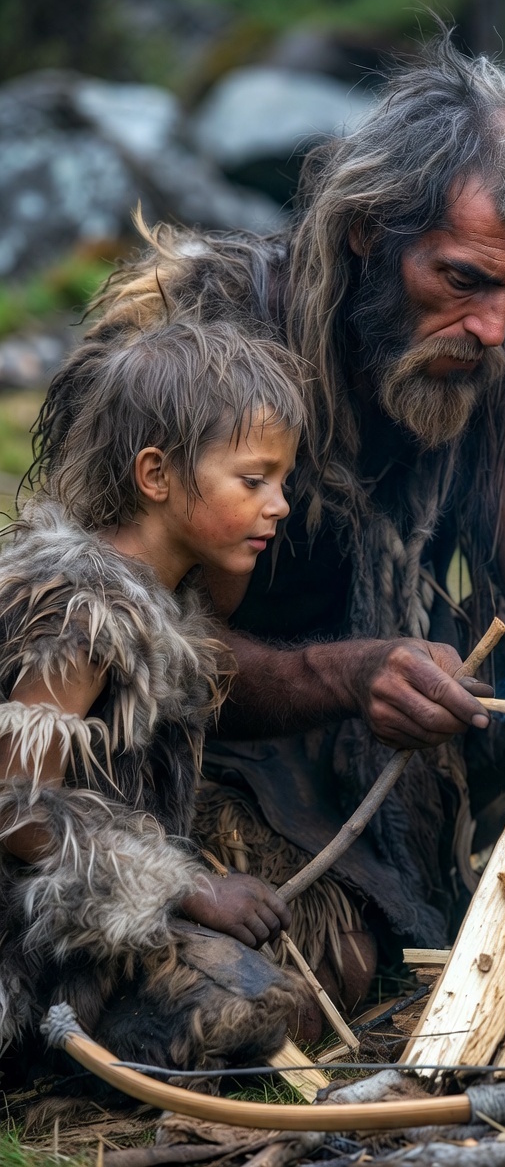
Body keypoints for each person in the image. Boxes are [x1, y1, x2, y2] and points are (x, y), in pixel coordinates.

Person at [31, 31, 505, 1012]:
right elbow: (99, 643)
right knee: (278, 982)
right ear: (370, 232)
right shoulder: (198, 354)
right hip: (184, 745)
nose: (493, 329)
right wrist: (337, 674)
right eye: (460, 279)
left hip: (386, 747)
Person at [0, 318, 311, 1073]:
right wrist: (191, 890)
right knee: (237, 1007)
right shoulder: (87, 613)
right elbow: (13, 805)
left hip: (87, 919)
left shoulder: (158, 599)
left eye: (283, 482)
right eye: (253, 480)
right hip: (29, 943)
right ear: (155, 476)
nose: (280, 506)